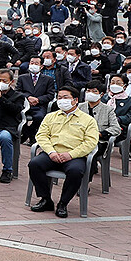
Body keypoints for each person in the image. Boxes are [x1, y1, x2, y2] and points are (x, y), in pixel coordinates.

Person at [27, 86, 97, 218]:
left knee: (76, 171)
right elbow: (41, 136)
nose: (61, 100)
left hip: (74, 156)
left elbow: (90, 143)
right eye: (59, 98)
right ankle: (46, 199)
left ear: (75, 100)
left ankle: (63, 203)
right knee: (34, 164)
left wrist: (71, 154)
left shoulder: (88, 120)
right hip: (52, 153)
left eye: (65, 98)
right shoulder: (50, 117)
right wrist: (51, 152)